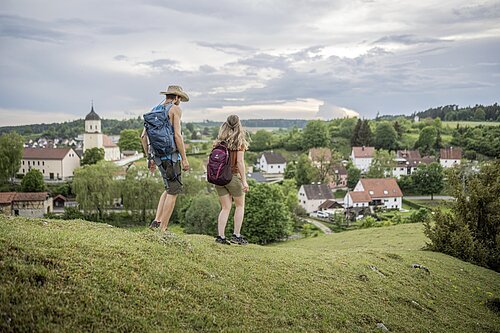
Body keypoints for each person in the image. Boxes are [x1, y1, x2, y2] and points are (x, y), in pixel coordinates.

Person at [140, 85, 190, 232]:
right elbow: (177, 135)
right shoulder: (175, 109)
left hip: (158, 157)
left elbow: (143, 137)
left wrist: (149, 158)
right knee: (174, 192)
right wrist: (185, 159)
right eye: (179, 98)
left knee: (168, 188)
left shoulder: (154, 110)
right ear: (176, 97)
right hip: (171, 157)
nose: (179, 100)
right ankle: (163, 229)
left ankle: (157, 221)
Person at [213, 115, 250, 245]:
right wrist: (244, 181)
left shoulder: (219, 142)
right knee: (240, 206)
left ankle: (221, 237)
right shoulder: (238, 143)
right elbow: (240, 162)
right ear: (239, 125)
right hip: (232, 177)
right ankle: (236, 235)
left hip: (218, 178)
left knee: (225, 208)